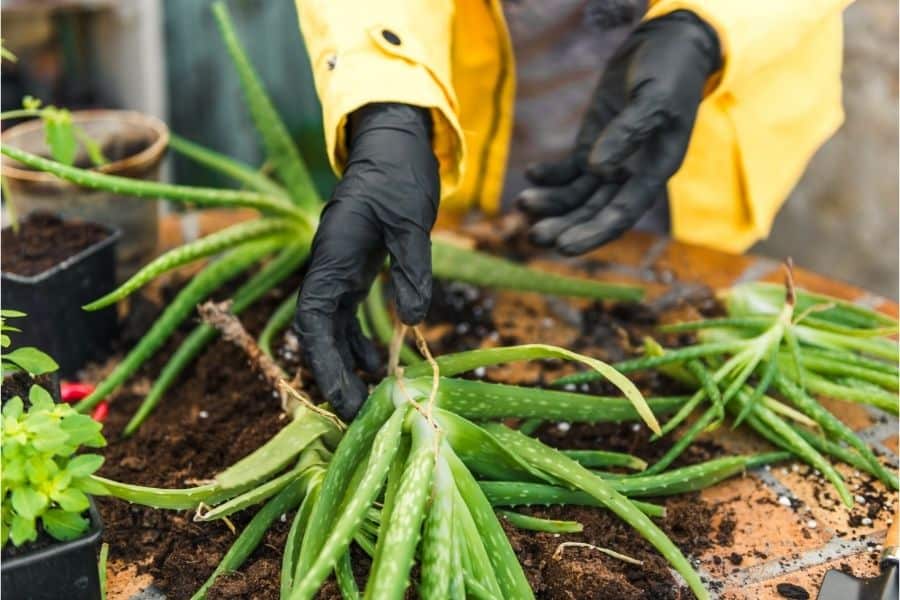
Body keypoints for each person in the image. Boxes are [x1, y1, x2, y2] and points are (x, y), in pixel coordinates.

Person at [292, 0, 850, 420]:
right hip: (472, 64)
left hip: (711, 85)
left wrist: (709, 25)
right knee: (478, 290)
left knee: (675, 304)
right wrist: (391, 94)